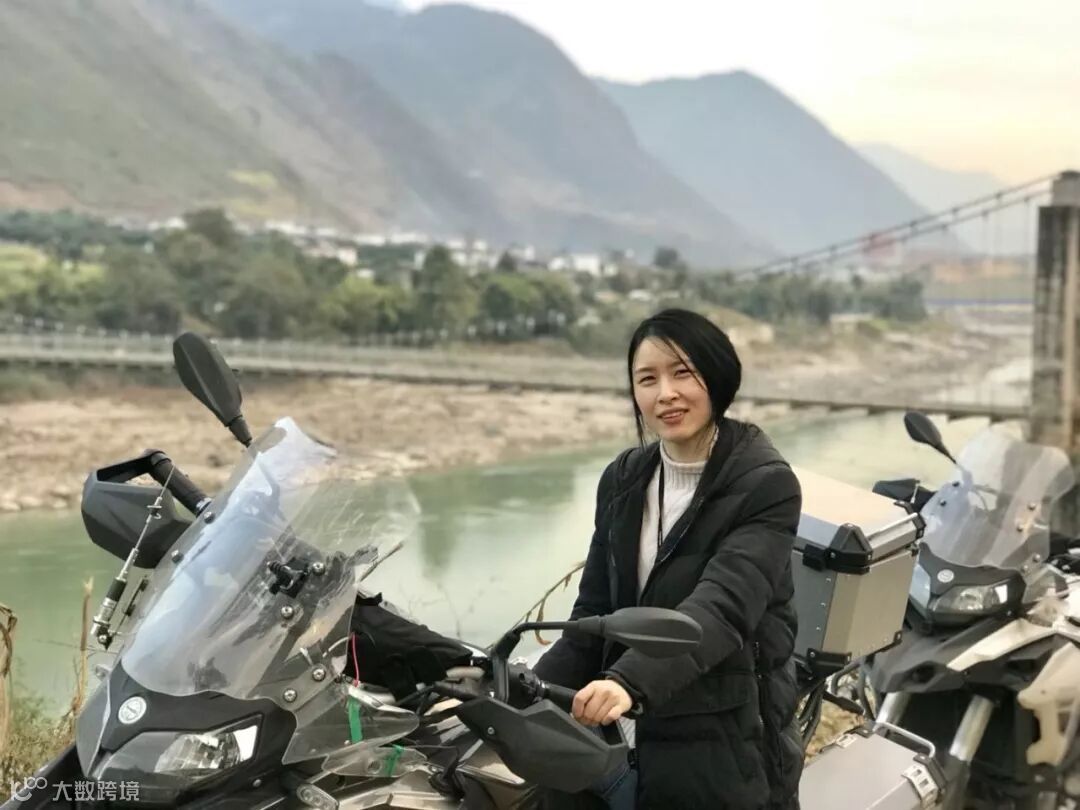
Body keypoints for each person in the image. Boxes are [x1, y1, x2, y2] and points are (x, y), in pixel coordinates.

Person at [533, 308, 803, 810]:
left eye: (682, 373)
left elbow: (721, 608)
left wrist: (627, 682)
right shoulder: (623, 479)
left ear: (718, 376)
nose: (665, 394)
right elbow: (593, 613)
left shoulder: (766, 484)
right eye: (647, 379)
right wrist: (522, 690)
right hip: (627, 730)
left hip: (726, 737)